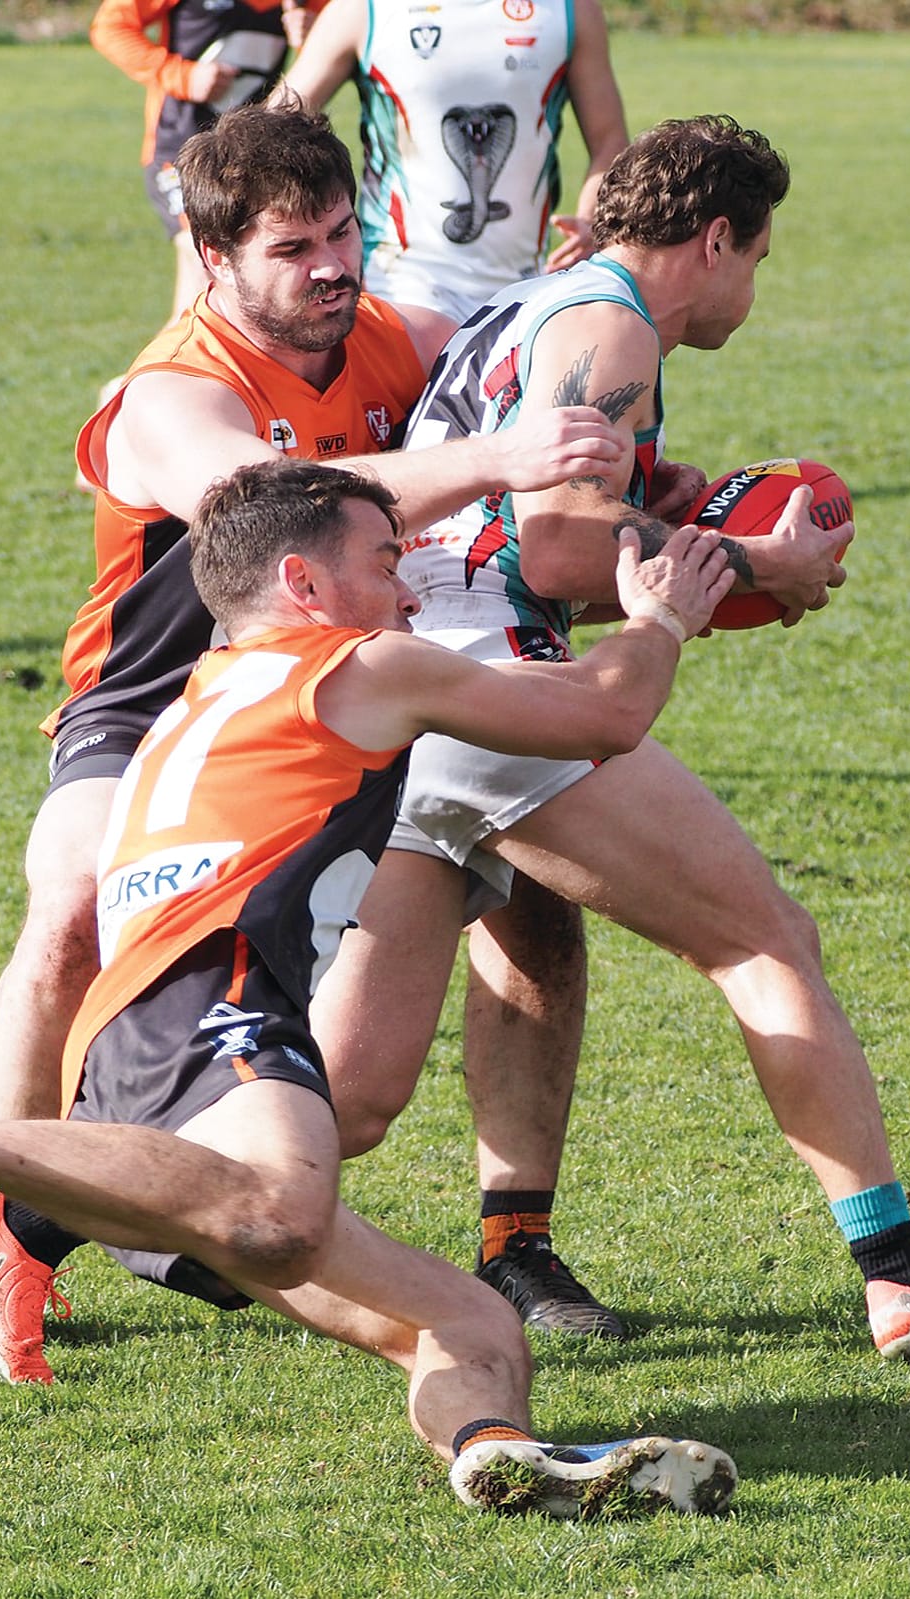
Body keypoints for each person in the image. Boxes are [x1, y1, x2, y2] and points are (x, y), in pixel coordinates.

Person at [0, 459, 742, 1522]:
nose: (410, 595)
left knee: (471, 1325)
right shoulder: (358, 664)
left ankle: (503, 1457)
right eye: (387, 563)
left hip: (144, 1036)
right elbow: (605, 713)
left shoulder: (211, 685)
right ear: (303, 583)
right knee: (281, 1215)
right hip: (207, 997)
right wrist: (660, 616)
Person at [308, 115, 910, 1364]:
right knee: (766, 939)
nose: (756, 287)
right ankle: (904, 1282)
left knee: (347, 1096)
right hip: (496, 689)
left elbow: (527, 508)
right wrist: (755, 563)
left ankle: (43, 1208)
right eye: (760, 258)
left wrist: (668, 509)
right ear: (715, 239)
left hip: (409, 695)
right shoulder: (612, 328)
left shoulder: (531, 302)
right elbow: (560, 550)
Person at [0, 101, 629, 1348]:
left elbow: (522, 372)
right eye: (290, 248)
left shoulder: (392, 339)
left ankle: (517, 1244)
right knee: (74, 907)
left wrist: (641, 474)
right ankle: (9, 1225)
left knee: (532, 890)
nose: (329, 267)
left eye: (340, 233)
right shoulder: (168, 392)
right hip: (159, 702)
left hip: (346, 688)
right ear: (213, 259)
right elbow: (267, 502)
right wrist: (499, 457)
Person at [277, 0, 637, 1338]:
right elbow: (275, 138)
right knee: (353, 1057)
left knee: (534, 903)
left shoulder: (565, 11)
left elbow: (614, 157)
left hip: (525, 333)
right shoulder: (364, 11)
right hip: (415, 331)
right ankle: (90, 1200)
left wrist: (591, 236)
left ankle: (517, 1243)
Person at [277, 0, 630, 319]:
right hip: (400, 286)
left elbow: (609, 140)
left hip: (526, 290)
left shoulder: (569, 10)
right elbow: (271, 132)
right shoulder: (364, 10)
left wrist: (591, 220)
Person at [91, 0, 327, 325]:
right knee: (205, 267)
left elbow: (342, 39)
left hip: (251, 160)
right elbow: (110, 27)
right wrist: (183, 75)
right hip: (180, 152)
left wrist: (314, 31)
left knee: (220, 296)